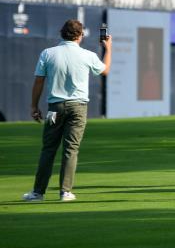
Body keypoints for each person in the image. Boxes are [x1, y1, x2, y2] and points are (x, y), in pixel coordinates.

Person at [22, 19, 112, 202]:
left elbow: (39, 81)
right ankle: (65, 192)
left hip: (55, 109)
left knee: (48, 148)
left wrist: (33, 106)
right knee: (71, 149)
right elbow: (105, 71)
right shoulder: (87, 55)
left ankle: (38, 193)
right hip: (78, 109)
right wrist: (108, 48)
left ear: (62, 33)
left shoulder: (48, 53)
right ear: (80, 36)